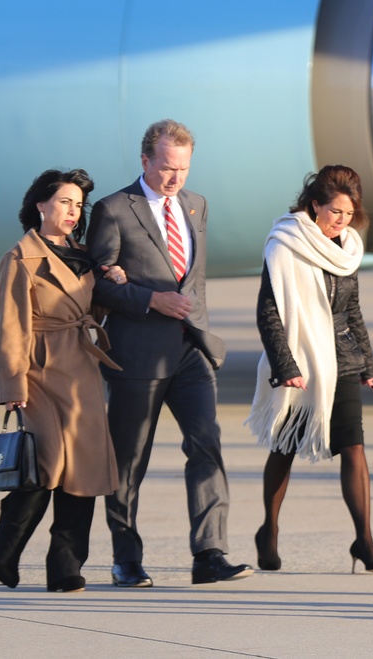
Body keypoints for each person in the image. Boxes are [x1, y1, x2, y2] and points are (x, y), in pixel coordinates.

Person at [87, 119, 253, 587]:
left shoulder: (196, 205)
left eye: (182, 168)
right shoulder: (115, 209)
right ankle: (126, 558)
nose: (174, 178)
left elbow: (192, 279)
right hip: (136, 352)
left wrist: (198, 327)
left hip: (190, 351)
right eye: (165, 168)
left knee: (206, 446)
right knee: (129, 459)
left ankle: (209, 552)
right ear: (145, 161)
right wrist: (148, 298)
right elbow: (97, 281)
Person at [0, 168, 128, 592]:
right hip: (39, 370)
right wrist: (13, 387)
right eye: (64, 202)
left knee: (82, 472)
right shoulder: (20, 257)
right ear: (41, 205)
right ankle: (7, 542)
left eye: (78, 204)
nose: (73, 210)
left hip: (81, 367)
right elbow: (11, 326)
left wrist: (113, 282)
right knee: (46, 467)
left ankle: (65, 567)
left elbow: (88, 313)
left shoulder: (84, 256)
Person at [246, 166, 373, 574]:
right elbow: (268, 312)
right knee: (285, 447)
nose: (342, 220)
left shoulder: (347, 248)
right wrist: (285, 365)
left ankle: (364, 541)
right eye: (335, 212)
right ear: (315, 206)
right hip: (300, 361)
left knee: (354, 448)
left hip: (340, 361)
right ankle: (269, 530)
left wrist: (365, 360)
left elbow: (352, 309)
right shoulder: (284, 244)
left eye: (349, 213)